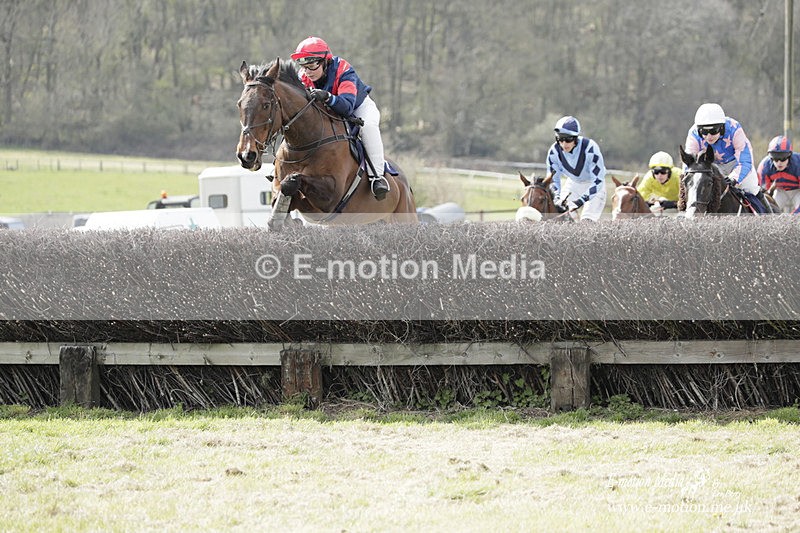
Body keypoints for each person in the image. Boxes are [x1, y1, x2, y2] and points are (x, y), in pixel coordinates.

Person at [290, 36, 390, 200]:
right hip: (330, 112)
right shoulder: (303, 77)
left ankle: (377, 177)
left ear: (325, 61)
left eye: (312, 65)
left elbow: (347, 107)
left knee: (368, 127)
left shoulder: (343, 70)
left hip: (358, 108)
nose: (308, 71)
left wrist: (328, 97)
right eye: (304, 66)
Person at [684, 102, 772, 213]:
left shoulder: (734, 129)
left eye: (713, 131)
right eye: (704, 132)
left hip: (736, 164)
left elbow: (745, 161)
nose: (708, 136)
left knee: (752, 188)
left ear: (721, 128)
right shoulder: (693, 134)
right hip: (711, 167)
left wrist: (733, 178)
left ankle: (770, 216)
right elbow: (689, 164)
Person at [545, 116, 608, 221]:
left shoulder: (590, 148)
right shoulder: (553, 152)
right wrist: (556, 198)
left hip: (594, 185)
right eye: (560, 139)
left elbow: (597, 180)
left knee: (586, 223)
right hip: (573, 184)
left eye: (568, 139)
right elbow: (553, 180)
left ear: (575, 138)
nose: (564, 144)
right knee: (560, 215)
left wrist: (580, 201)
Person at [758, 135, 800, 214]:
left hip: (798, 191)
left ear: (789, 156)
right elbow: (764, 193)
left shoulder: (798, 164)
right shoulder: (764, 167)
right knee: (768, 210)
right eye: (775, 158)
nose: (779, 163)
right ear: (770, 157)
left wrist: (793, 217)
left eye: (783, 158)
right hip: (780, 190)